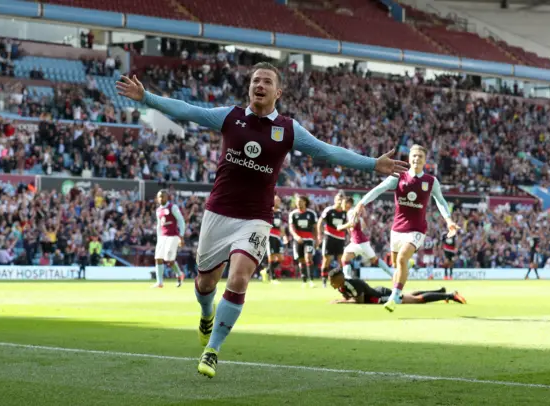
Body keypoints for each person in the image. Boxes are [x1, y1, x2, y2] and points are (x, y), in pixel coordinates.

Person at [116, 62, 409, 379]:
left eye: (267, 81)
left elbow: (327, 152)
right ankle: (206, 313)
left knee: (239, 277)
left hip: (255, 218)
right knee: (204, 284)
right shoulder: (230, 117)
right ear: (249, 87)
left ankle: (212, 350)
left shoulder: (288, 129)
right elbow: (187, 110)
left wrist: (371, 164)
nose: (260, 84)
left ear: (277, 91)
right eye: (255, 80)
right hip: (218, 213)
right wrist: (146, 98)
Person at [355, 145, 460, 313]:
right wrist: (361, 203)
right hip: (397, 229)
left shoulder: (430, 181)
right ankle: (402, 279)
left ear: (425, 160)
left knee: (402, 259)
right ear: (409, 158)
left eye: (420, 156)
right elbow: (378, 189)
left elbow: (440, 201)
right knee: (398, 266)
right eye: (414, 156)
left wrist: (448, 220)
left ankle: (395, 296)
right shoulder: (399, 177)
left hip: (416, 230)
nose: (416, 159)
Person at [328, 269, 466, 305]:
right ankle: (440, 291)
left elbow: (360, 302)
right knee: (410, 295)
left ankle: (451, 295)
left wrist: (340, 302)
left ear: (339, 279)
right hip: (378, 292)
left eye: (332, 281)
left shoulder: (351, 284)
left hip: (381, 297)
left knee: (415, 299)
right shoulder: (341, 287)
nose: (330, 284)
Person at [336, 197, 393, 278]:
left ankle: (348, 278)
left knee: (345, 259)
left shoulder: (351, 212)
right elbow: (362, 225)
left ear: (348, 204)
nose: (341, 205)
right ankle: (392, 274)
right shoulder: (352, 212)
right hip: (360, 241)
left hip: (358, 242)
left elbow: (352, 223)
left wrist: (340, 227)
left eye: (343, 203)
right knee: (374, 260)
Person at [153, 189, 186, 288]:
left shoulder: (173, 207)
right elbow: (159, 225)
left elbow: (181, 220)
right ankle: (159, 282)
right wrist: (158, 237)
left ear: (167, 197)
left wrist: (181, 236)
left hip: (173, 236)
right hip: (162, 237)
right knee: (158, 257)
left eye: (163, 196)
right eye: (159, 196)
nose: (161, 198)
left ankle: (179, 274)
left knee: (169, 259)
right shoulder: (158, 210)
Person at [317, 193, 347, 288]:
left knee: (341, 260)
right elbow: (320, 222)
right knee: (327, 260)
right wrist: (319, 235)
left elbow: (347, 224)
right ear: (334, 200)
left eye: (342, 199)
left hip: (340, 238)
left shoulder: (345, 212)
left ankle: (342, 281)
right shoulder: (329, 210)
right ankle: (324, 281)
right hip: (329, 237)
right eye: (338, 199)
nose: (340, 201)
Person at [289, 195, 318, 288]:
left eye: (300, 201)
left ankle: (311, 280)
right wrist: (296, 236)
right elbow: (291, 227)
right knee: (301, 260)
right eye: (297, 202)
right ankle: (304, 281)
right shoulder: (293, 214)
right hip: (298, 240)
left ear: (305, 202)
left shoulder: (311, 214)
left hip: (308, 239)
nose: (298, 203)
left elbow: (315, 228)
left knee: (308, 257)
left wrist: (317, 239)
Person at [260, 194, 286, 284]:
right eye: (276, 200)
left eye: (279, 200)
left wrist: (284, 236)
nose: (278, 202)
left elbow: (280, 225)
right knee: (271, 256)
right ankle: (272, 278)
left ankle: (266, 271)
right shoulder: (267, 211)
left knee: (281, 258)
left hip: (278, 237)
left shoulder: (279, 212)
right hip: (270, 235)